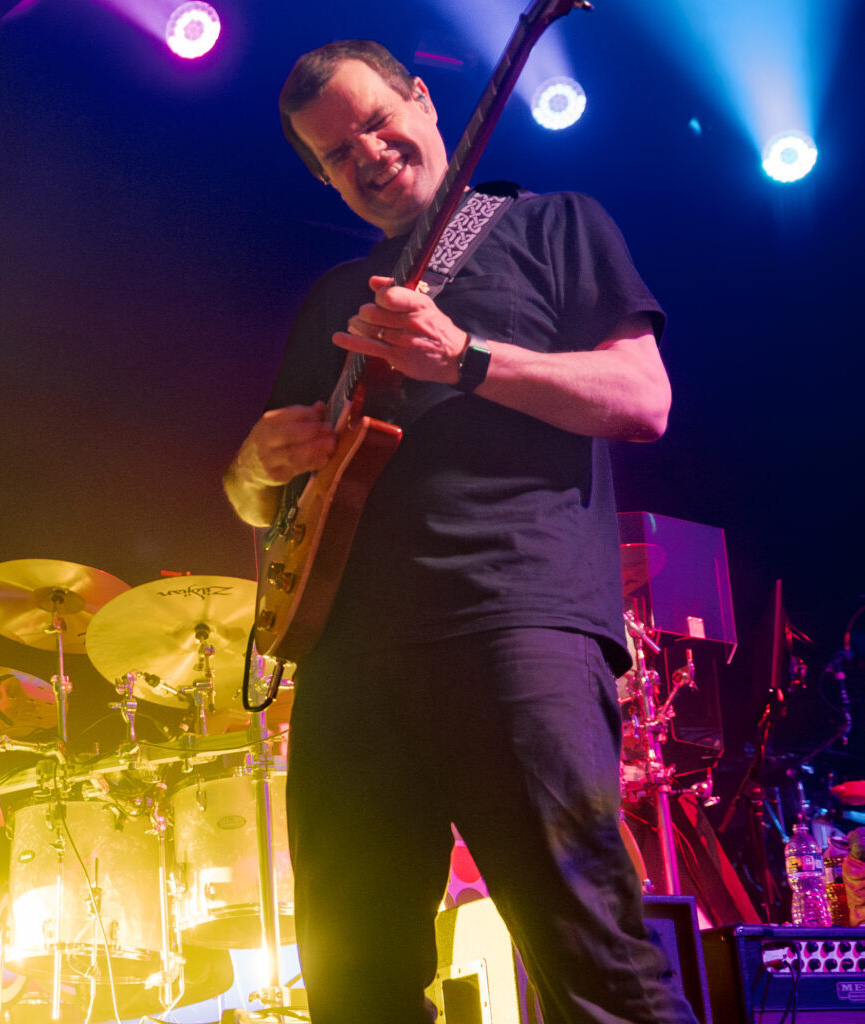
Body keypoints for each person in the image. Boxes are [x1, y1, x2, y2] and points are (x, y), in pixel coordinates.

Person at [223, 41, 695, 1023]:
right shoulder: (331, 300)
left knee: (594, 967)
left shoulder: (553, 225)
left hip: (511, 626)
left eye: (374, 121)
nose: (366, 153)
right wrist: (252, 467)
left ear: (425, 100)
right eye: (335, 152)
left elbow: (642, 398)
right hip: (346, 662)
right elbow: (267, 503)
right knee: (355, 990)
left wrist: (467, 358)